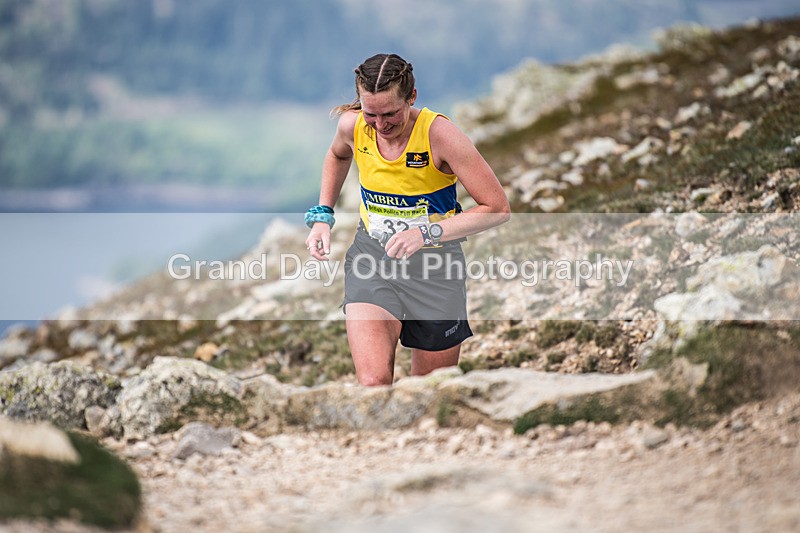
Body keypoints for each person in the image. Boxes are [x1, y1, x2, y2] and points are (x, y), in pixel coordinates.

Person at [305, 53, 510, 386]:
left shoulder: (440, 135)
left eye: (390, 114)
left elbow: (498, 208)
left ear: (412, 97)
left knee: (430, 392)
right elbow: (337, 154)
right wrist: (322, 215)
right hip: (372, 260)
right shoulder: (353, 126)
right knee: (373, 384)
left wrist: (427, 233)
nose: (381, 125)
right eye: (370, 113)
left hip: (436, 272)